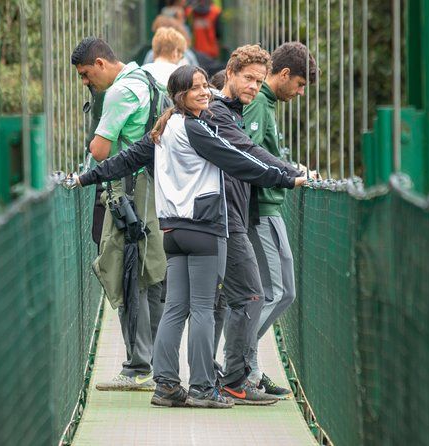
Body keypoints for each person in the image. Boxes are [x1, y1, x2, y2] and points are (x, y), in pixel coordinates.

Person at [69, 44, 305, 405]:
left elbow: (126, 159)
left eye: (205, 89)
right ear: (183, 95)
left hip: (170, 229)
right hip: (206, 228)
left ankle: (165, 385)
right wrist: (286, 176)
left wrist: (87, 178)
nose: (205, 94)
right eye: (198, 89)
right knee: (207, 308)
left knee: (177, 307)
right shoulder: (199, 129)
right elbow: (239, 158)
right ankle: (203, 386)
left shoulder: (162, 129)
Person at [71, 37, 166, 391]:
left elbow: (99, 151)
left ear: (99, 64)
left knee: (125, 273)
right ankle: (154, 359)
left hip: (128, 190)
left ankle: (138, 366)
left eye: (85, 75)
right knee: (150, 271)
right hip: (153, 188)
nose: (85, 83)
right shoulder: (146, 80)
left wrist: (97, 113)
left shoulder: (118, 93)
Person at [243, 42, 319, 398]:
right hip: (261, 209)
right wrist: (289, 174)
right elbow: (250, 157)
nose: (301, 93)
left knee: (281, 292)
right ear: (285, 74)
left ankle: (250, 369)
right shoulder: (259, 102)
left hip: (271, 207)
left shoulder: (266, 104)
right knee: (274, 292)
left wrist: (294, 168)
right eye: (300, 85)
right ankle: (237, 367)